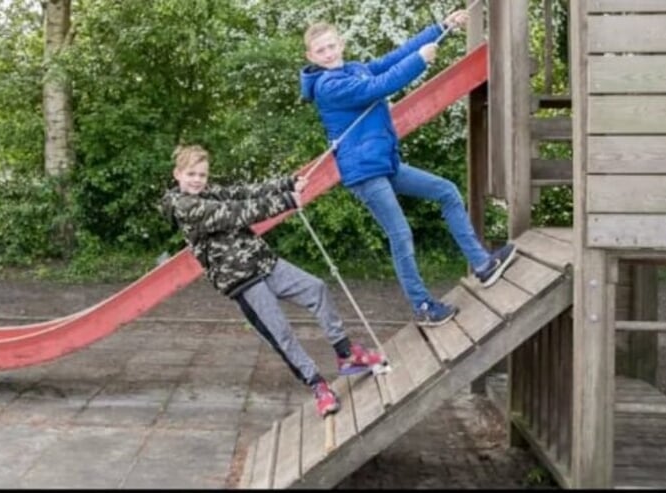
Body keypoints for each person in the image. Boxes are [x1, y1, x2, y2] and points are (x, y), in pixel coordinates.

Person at [299, 10, 517, 328]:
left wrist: (442, 27)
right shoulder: (329, 85)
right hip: (364, 173)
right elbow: (381, 86)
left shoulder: (354, 69)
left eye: (332, 46)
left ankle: (483, 264)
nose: (329, 53)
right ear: (311, 56)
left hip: (385, 164)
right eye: (321, 50)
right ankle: (423, 305)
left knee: (446, 191)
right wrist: (420, 61)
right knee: (401, 234)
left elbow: (394, 57)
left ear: (341, 44)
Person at [160, 144, 385, 418]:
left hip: (264, 263)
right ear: (177, 175)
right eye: (191, 174)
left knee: (316, 289)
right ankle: (318, 386)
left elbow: (246, 192)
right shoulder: (185, 207)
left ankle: (346, 353)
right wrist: (286, 201)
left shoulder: (210, 192)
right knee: (282, 333)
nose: (197, 180)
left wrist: (287, 183)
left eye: (202, 175)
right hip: (241, 280)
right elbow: (238, 213)